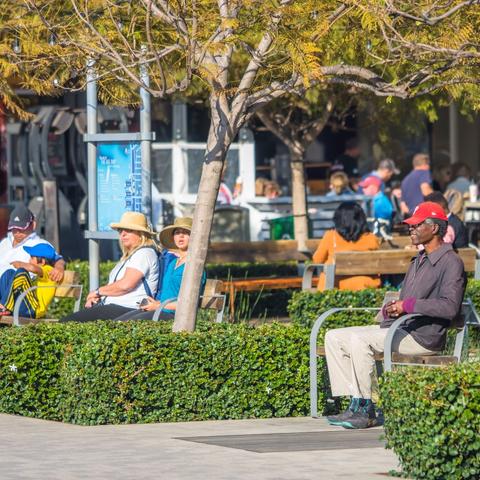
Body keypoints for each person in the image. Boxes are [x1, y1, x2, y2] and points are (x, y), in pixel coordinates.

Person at [325, 201, 466, 429]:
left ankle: (366, 408)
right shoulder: (418, 260)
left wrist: (407, 305)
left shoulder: (451, 262)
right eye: (411, 225)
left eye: (416, 225)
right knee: (334, 336)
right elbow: (406, 301)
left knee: (359, 340)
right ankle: (355, 402)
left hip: (423, 337)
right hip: (401, 329)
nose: (410, 229)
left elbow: (449, 307)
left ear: (434, 228)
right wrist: (391, 308)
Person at [60, 212, 159, 322]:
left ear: (141, 234)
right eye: (121, 230)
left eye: (129, 230)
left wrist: (97, 292)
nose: (123, 234)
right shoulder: (129, 257)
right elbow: (116, 287)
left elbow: (125, 285)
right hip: (115, 306)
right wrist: (97, 298)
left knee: (66, 322)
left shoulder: (144, 253)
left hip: (129, 307)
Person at [114, 217, 206, 321]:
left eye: (186, 233)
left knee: (126, 324)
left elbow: (189, 304)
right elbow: (168, 295)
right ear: (173, 238)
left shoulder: (194, 266)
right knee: (117, 322)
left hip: (177, 317)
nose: (181, 236)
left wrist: (159, 306)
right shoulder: (172, 263)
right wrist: (156, 304)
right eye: (177, 232)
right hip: (160, 310)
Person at [312, 202, 381, 291]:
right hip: (364, 286)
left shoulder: (330, 236)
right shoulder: (371, 238)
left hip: (334, 286)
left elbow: (317, 260)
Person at [0, 204, 65, 282]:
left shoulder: (40, 244)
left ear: (33, 224)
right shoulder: (4, 242)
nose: (17, 232)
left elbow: (57, 259)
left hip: (18, 288)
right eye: (14, 228)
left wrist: (59, 268)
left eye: (21, 228)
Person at [0, 244, 59, 318]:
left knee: (22, 273)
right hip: (26, 305)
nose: (29, 261)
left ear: (42, 262)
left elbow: (34, 269)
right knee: (9, 273)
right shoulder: (41, 274)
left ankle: (3, 307)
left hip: (33, 310)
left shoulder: (49, 270)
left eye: (32, 258)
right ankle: (3, 306)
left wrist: (21, 264)